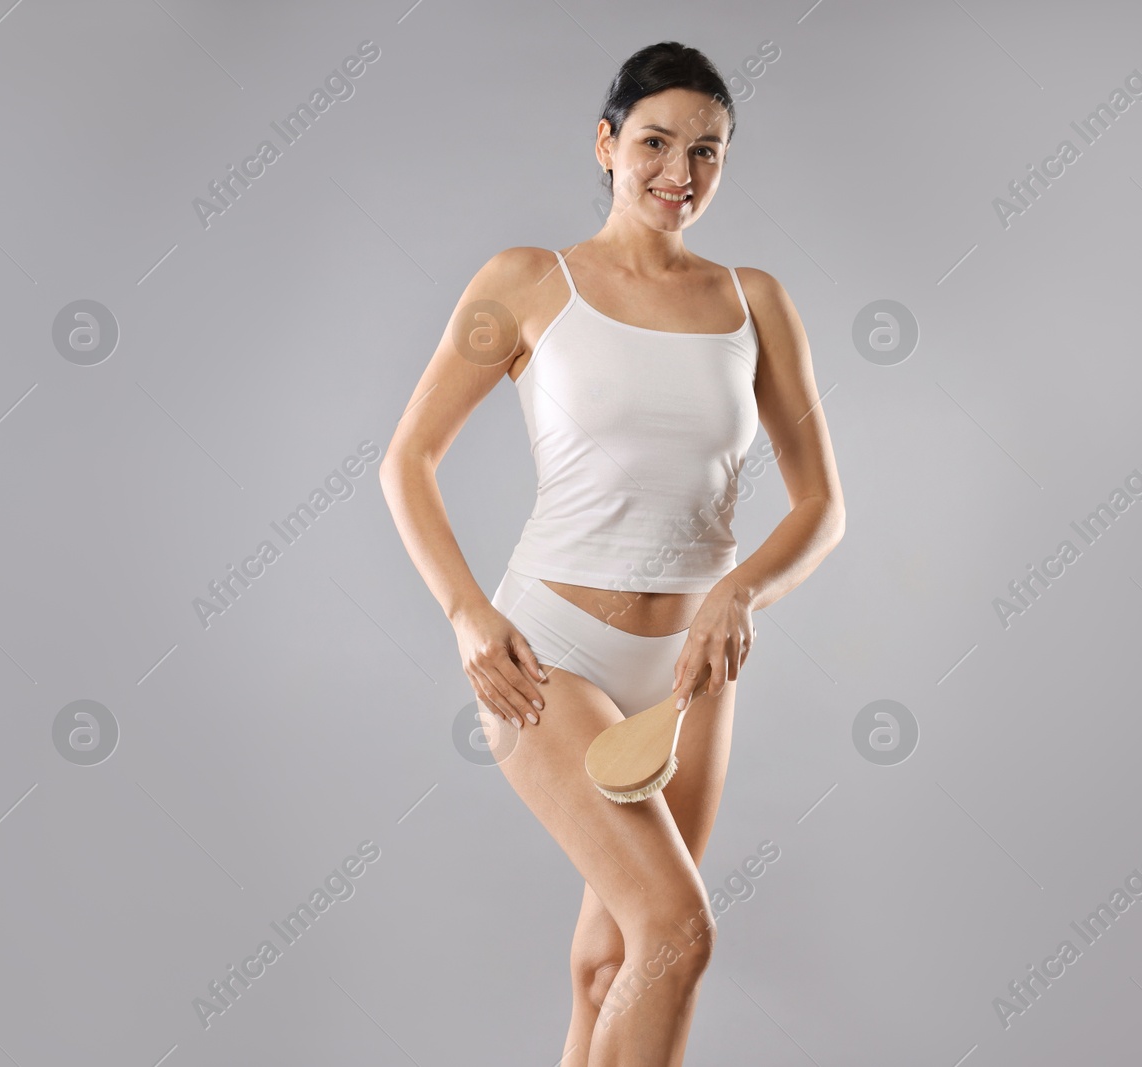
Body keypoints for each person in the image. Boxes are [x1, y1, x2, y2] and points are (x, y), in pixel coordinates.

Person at [379, 41, 844, 1067]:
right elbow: (407, 460)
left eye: (708, 152)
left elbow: (820, 504)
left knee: (611, 963)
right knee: (677, 934)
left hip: (691, 673)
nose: (680, 173)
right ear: (606, 143)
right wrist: (465, 612)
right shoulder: (528, 281)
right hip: (550, 653)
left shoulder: (754, 301)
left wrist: (741, 590)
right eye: (655, 143)